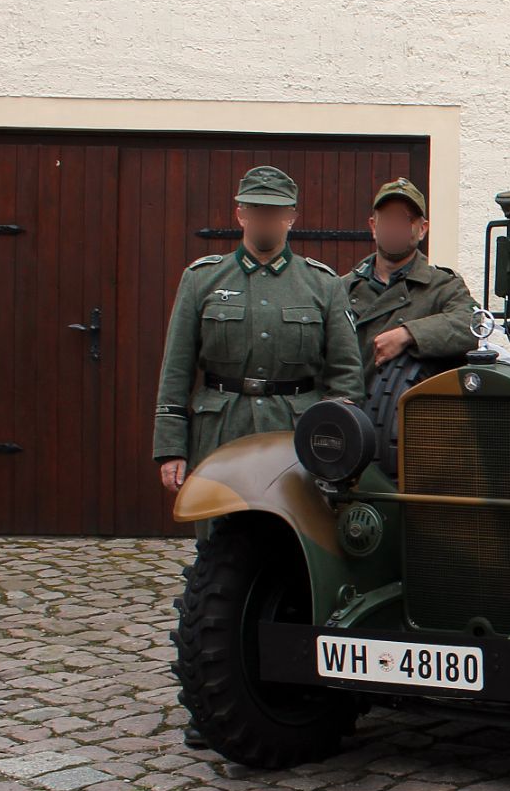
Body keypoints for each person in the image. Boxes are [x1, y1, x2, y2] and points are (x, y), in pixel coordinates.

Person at [152, 164, 365, 747]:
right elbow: (177, 370)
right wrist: (170, 448)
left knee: (298, 561)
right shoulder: (203, 280)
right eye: (256, 210)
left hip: (294, 434)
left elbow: (347, 377)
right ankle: (215, 700)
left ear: (292, 218)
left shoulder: (322, 285)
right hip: (221, 432)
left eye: (276, 211)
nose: (266, 220)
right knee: (219, 569)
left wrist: (333, 444)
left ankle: (300, 692)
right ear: (239, 214)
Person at [342, 177, 478, 385]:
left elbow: (472, 325)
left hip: (412, 402)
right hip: (350, 401)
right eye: (388, 218)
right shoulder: (343, 287)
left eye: (404, 219)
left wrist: (408, 334)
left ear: (422, 229)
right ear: (373, 226)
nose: (394, 226)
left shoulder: (442, 286)